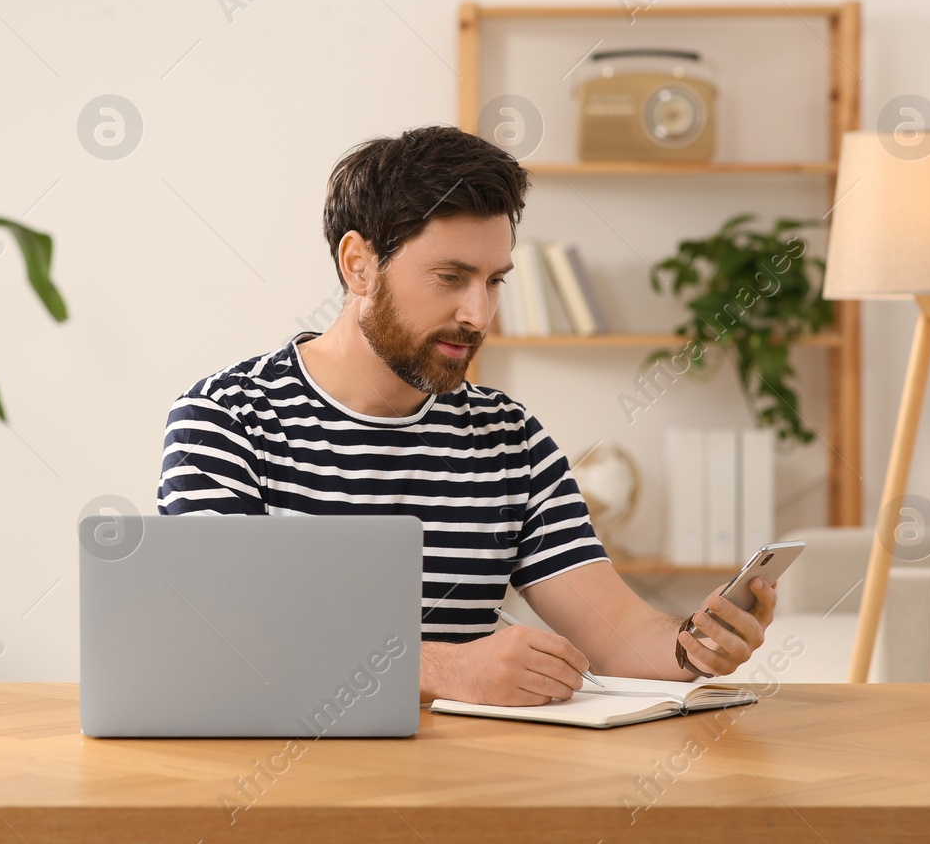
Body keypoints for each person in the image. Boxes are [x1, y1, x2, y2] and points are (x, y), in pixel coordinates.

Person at [157, 125, 775, 706]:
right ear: (358, 265)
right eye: (450, 277)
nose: (478, 314)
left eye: (495, 281)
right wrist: (446, 671)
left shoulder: (509, 438)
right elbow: (221, 645)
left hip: (471, 790)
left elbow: (617, 633)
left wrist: (696, 644)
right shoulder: (228, 420)